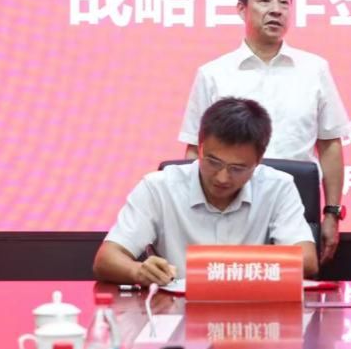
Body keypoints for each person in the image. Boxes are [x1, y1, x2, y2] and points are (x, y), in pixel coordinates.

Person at [179, 0, 349, 262]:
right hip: (228, 203)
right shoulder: (214, 73)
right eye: (265, 0)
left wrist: (332, 212)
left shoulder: (314, 69)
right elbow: (195, 149)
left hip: (296, 206)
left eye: (284, 2)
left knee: (294, 282)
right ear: (241, 9)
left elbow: (330, 144)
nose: (276, 10)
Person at [94, 97, 318, 284]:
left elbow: (307, 261)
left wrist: (225, 272)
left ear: (258, 161)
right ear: (199, 147)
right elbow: (106, 259)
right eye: (213, 162)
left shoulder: (278, 187)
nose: (222, 177)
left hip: (252, 312)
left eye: (237, 168)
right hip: (175, 310)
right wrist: (137, 271)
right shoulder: (158, 187)